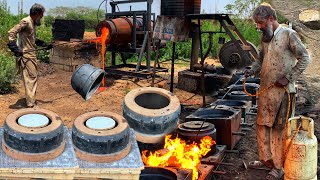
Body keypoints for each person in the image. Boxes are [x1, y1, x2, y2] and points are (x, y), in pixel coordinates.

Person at [245, 3, 311, 180]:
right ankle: (265, 159)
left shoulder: (289, 35)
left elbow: (305, 58)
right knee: (262, 125)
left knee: (278, 129)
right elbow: (260, 59)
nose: (258, 27)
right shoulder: (265, 38)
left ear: (271, 19)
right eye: (256, 23)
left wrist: (289, 77)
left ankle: (278, 166)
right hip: (266, 91)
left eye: (260, 23)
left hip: (283, 93)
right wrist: (252, 69)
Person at [7, 3, 52, 108]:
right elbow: (11, 32)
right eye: (41, 15)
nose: (42, 17)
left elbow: (31, 39)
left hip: (31, 54)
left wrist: (44, 44)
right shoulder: (26, 22)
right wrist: (15, 48)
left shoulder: (32, 23)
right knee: (31, 78)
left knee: (32, 77)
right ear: (36, 14)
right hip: (26, 55)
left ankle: (31, 100)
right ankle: (30, 104)